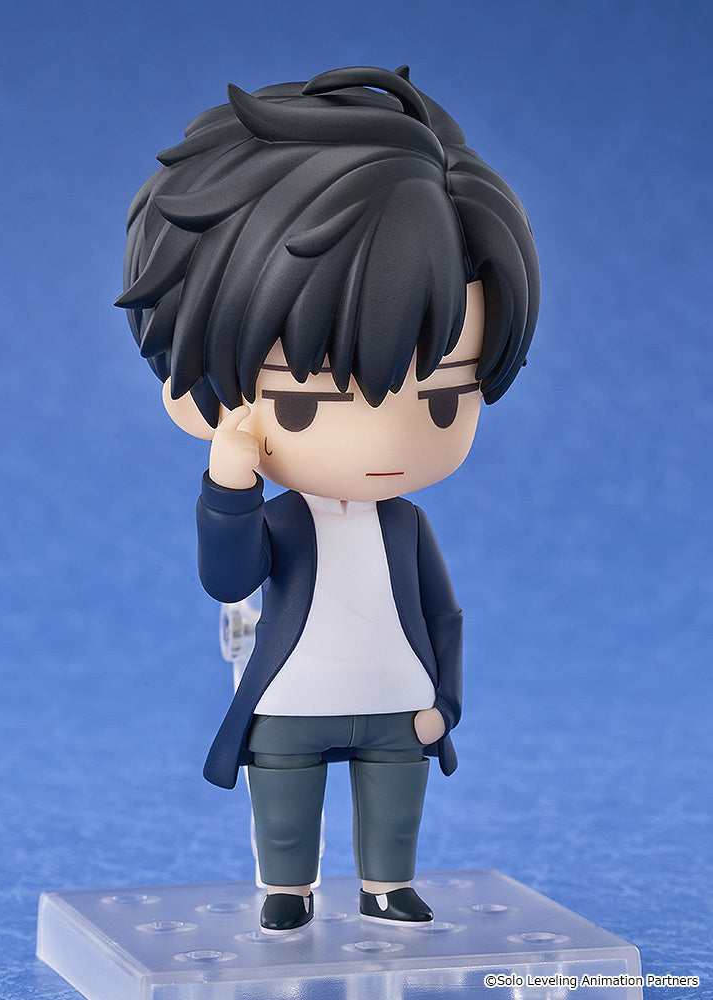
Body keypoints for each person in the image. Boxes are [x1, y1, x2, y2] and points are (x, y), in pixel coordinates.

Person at [116, 64, 539, 933]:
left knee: (395, 814)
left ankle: (388, 886)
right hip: (290, 702)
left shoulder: (407, 525)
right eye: (307, 403)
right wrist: (230, 484)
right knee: (285, 816)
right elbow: (229, 579)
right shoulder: (282, 517)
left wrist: (446, 705)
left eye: (444, 398)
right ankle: (288, 892)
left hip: (398, 704)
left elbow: (445, 617)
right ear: (196, 397)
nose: (384, 443)